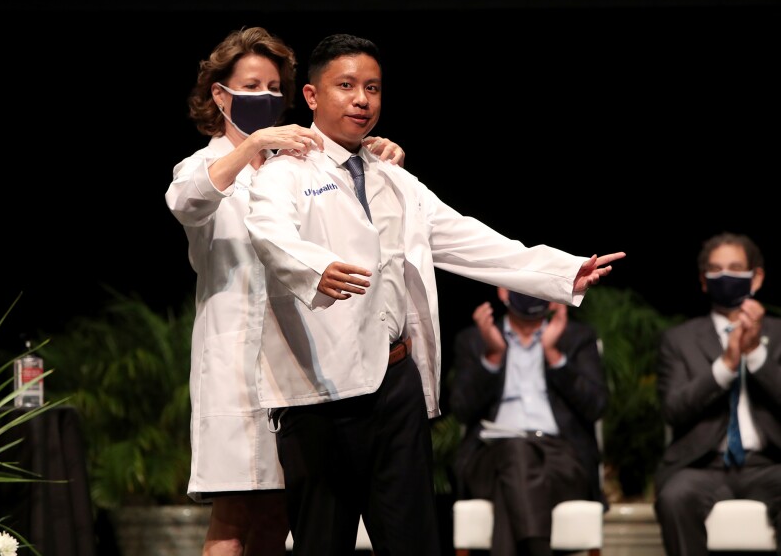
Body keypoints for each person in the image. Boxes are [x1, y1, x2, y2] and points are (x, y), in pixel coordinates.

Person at [243, 32, 625, 556]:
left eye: (372, 88)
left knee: (413, 539)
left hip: (395, 385)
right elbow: (268, 234)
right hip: (322, 392)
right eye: (347, 86)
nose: (362, 99)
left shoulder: (395, 179)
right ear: (311, 96)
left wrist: (561, 271)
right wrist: (317, 267)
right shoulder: (284, 172)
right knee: (321, 540)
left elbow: (470, 240)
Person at [164, 26, 405, 556]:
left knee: (281, 514)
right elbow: (185, 203)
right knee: (233, 514)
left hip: (295, 365)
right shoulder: (201, 166)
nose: (267, 98)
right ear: (220, 95)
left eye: (275, 88)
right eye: (252, 86)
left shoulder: (294, 166)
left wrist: (376, 154)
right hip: (232, 363)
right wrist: (251, 143)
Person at [449, 286, 608, 556]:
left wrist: (554, 355)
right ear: (502, 291)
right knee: (516, 451)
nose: (532, 292)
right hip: (490, 457)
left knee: (511, 484)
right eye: (524, 283)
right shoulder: (476, 340)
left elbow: (597, 407)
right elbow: (461, 410)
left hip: (562, 459)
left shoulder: (576, 338)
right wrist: (493, 356)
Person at [654, 232, 781, 556]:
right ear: (704, 280)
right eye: (716, 269)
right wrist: (725, 365)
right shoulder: (678, 340)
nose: (726, 276)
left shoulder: (779, 334)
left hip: (770, 463)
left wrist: (754, 355)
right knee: (675, 497)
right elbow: (673, 410)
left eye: (736, 267)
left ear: (757, 276)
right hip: (702, 466)